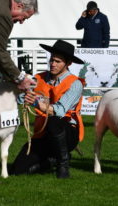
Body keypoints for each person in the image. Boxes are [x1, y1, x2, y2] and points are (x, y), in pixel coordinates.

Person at [11, 40, 85, 179]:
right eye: (52, 60)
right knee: (17, 170)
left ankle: (63, 165)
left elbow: (59, 111)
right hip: (43, 133)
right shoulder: (39, 78)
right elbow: (20, 98)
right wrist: (24, 96)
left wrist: (36, 103)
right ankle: (52, 161)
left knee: (54, 121)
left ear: (68, 63)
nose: (53, 64)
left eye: (58, 61)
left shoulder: (75, 84)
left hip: (67, 131)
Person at [0, 0, 38, 90]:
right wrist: (20, 78)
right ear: (19, 6)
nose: (22, 22)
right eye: (24, 17)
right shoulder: (3, 14)